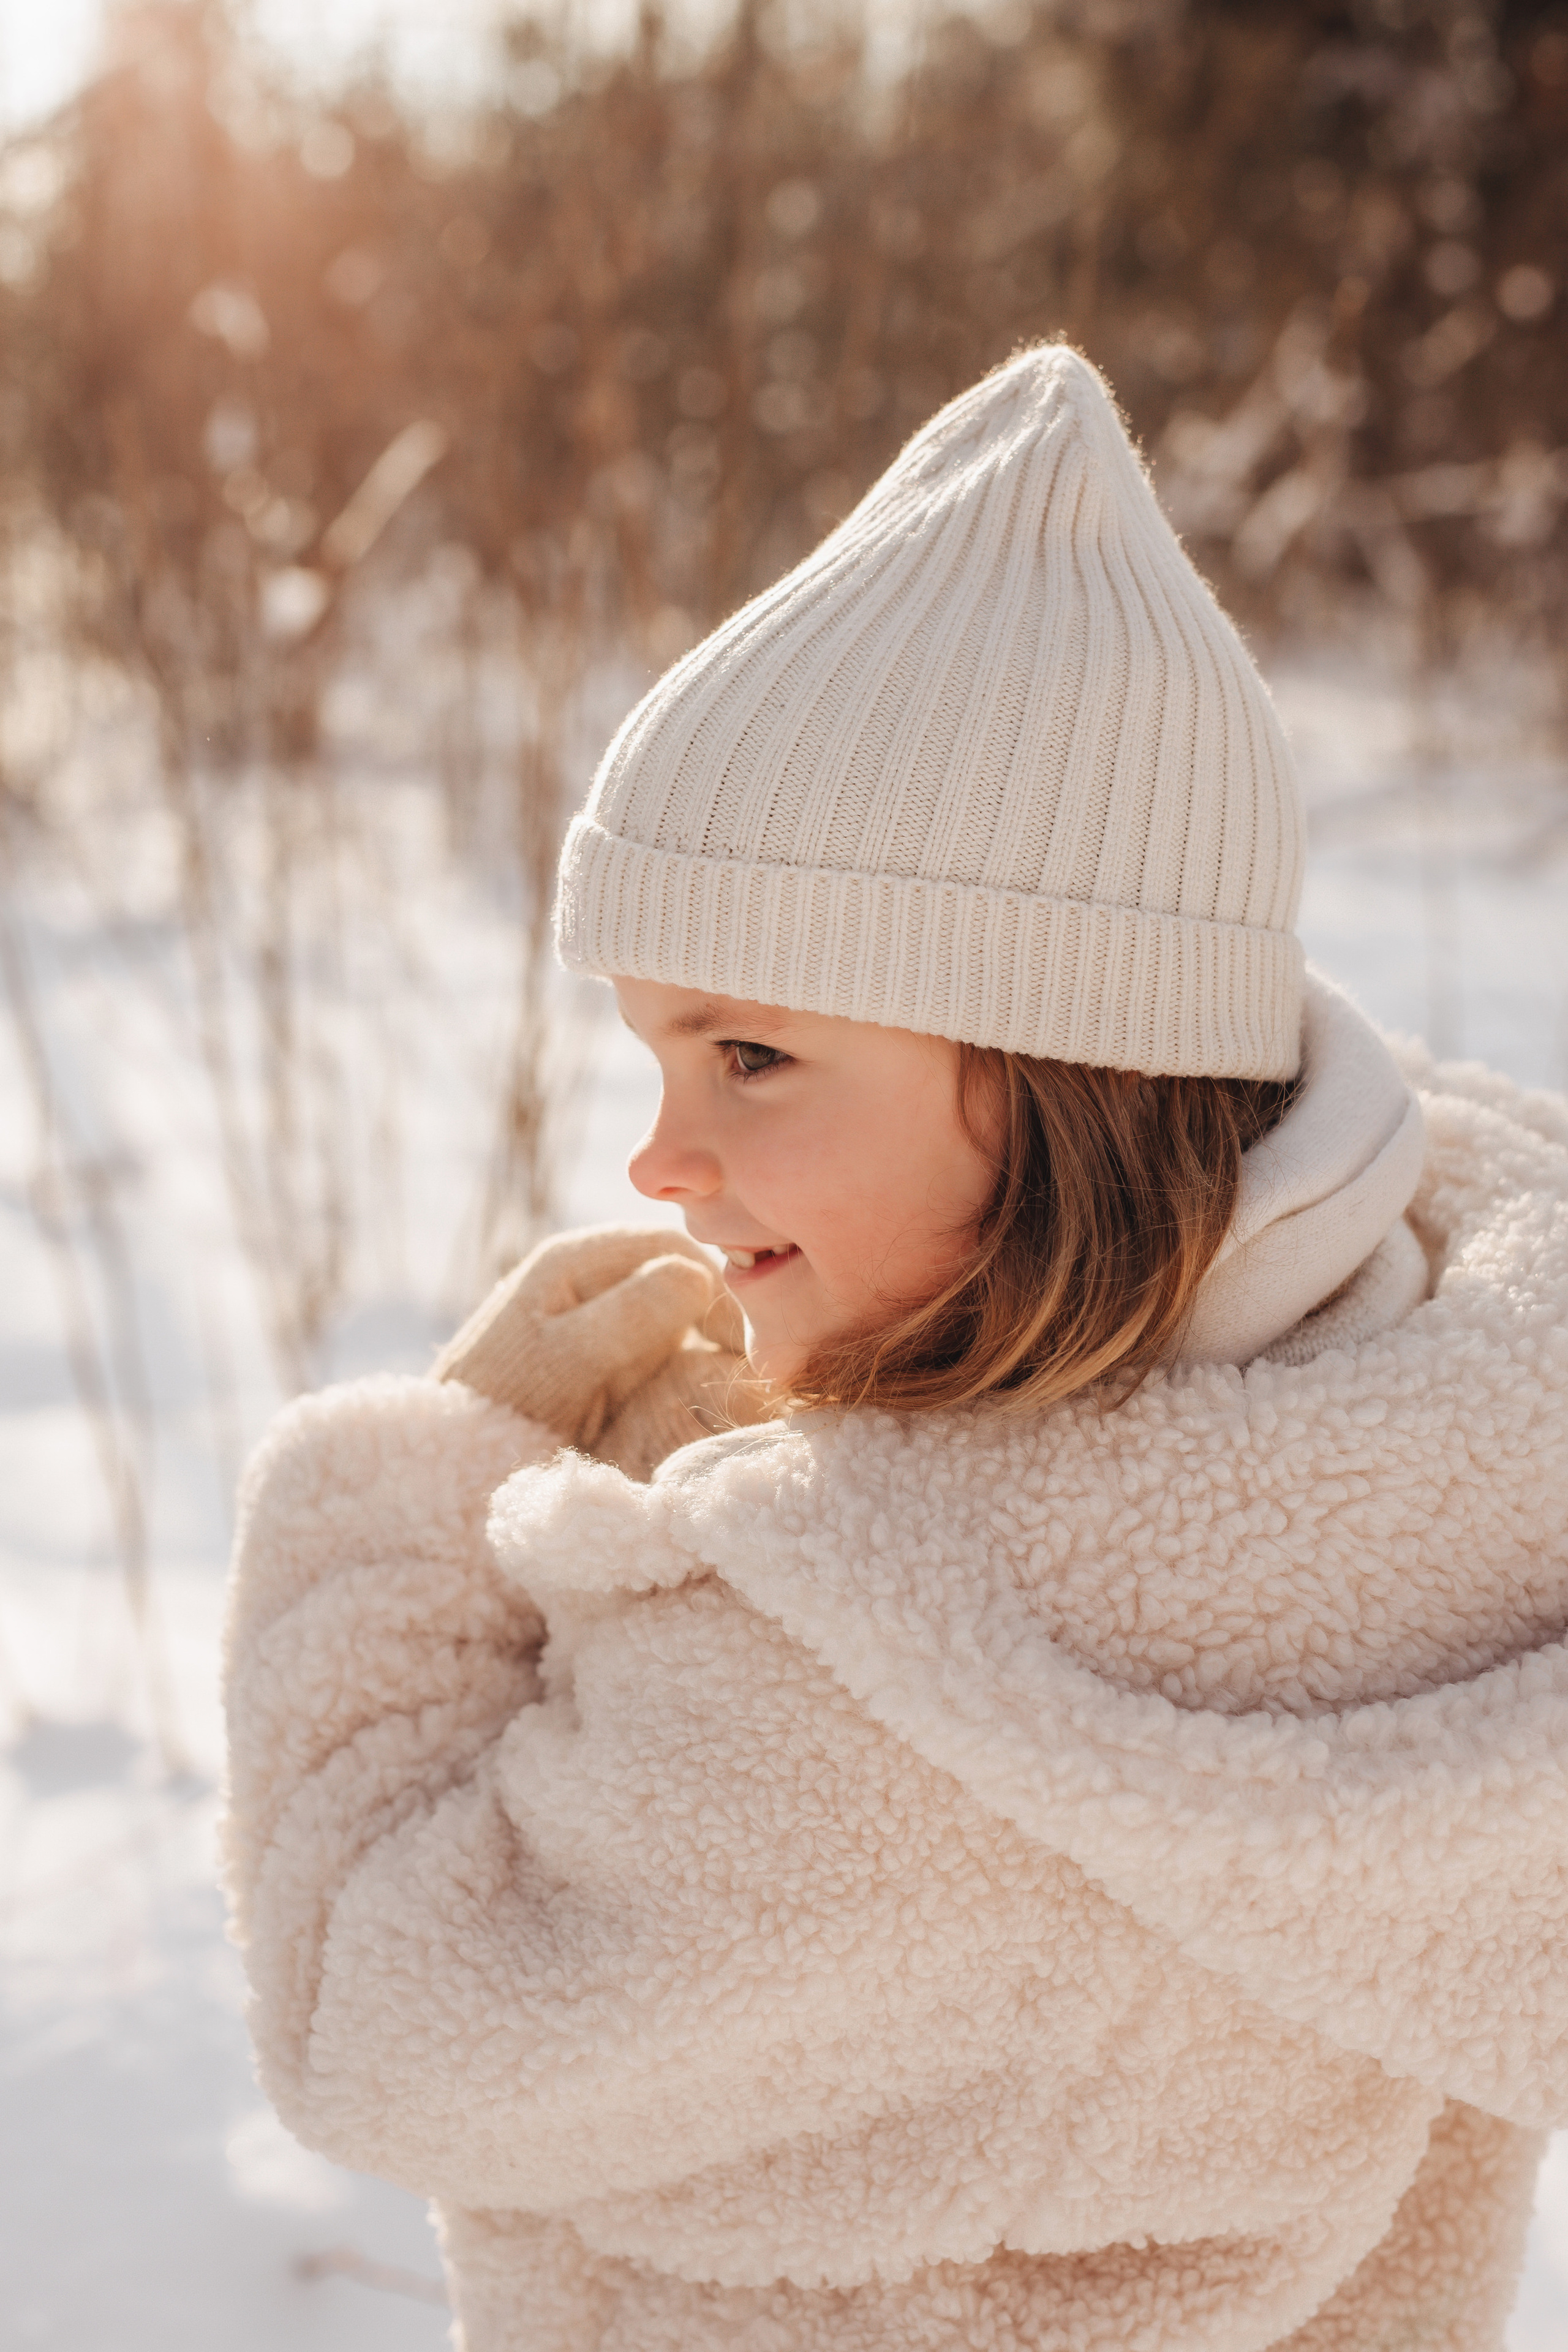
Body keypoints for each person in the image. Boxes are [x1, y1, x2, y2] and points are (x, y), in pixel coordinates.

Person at [222, 345, 1568, 2351]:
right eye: (658, 1050)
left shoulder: (855, 1685)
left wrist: (437, 1476)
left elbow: (374, 2011)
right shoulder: (1467, 1443)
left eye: (753, 1055)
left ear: (1064, 1066)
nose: (659, 1153)